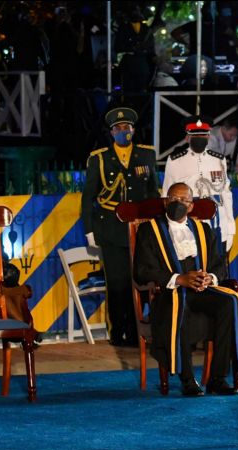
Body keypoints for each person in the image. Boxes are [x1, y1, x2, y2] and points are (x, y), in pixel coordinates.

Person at [133, 183, 238, 397]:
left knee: (229, 302)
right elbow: (142, 270)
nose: (178, 204)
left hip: (201, 289)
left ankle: (218, 378)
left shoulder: (203, 229)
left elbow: (219, 265)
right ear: (166, 202)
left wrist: (209, 278)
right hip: (170, 292)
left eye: (184, 200)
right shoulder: (150, 230)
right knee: (179, 306)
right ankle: (187, 380)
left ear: (191, 206)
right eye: (174, 199)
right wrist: (179, 279)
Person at [80, 107, 158, 347]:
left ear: (133, 130)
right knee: (117, 283)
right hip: (111, 229)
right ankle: (118, 331)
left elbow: (152, 193)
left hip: (141, 229)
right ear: (112, 132)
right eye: (118, 128)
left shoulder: (146, 155)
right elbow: (88, 197)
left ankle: (136, 331)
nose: (124, 131)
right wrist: (90, 230)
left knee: (141, 280)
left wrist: (156, 225)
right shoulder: (100, 158)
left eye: (127, 127)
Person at [162, 117, 235, 255]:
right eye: (195, 135)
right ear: (188, 137)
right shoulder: (175, 161)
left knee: (218, 264)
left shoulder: (219, 159)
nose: (199, 138)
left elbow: (226, 195)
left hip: (218, 223)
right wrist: (171, 227)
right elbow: (167, 196)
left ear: (208, 136)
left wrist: (231, 228)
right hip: (189, 222)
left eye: (202, 135)